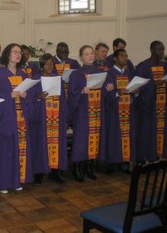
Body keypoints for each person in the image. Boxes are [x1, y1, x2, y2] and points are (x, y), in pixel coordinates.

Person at [0, 43, 33, 193]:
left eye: (19, 52)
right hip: (5, 119)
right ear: (8, 55)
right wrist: (10, 95)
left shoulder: (23, 74)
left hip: (20, 118)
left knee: (19, 150)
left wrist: (26, 95)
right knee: (6, 151)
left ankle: (17, 180)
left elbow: (30, 94)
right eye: (14, 52)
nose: (18, 54)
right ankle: (4, 183)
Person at [68, 45, 113, 182]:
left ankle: (89, 167)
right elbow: (71, 94)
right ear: (81, 57)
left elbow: (105, 93)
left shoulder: (102, 72)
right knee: (81, 140)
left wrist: (109, 89)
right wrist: (82, 91)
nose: (90, 56)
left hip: (97, 112)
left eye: (92, 53)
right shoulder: (76, 74)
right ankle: (76, 169)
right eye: (87, 54)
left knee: (94, 140)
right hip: (82, 112)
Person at [28, 53, 68, 185]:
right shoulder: (36, 80)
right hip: (42, 120)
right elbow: (30, 100)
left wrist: (65, 118)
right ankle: (38, 174)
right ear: (41, 65)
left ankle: (54, 173)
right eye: (47, 63)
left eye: (51, 63)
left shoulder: (58, 79)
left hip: (56, 119)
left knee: (56, 145)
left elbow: (64, 100)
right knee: (40, 146)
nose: (50, 66)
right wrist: (39, 97)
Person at [105, 49, 136, 173]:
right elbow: (106, 94)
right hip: (114, 111)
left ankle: (125, 162)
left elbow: (134, 89)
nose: (125, 58)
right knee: (114, 136)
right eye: (122, 56)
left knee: (127, 136)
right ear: (115, 58)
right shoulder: (109, 73)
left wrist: (136, 92)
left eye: (126, 56)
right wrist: (118, 92)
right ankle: (112, 164)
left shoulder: (130, 73)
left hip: (128, 110)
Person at [135, 40, 167, 161]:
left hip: (162, 106)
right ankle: (145, 157)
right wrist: (155, 83)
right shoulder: (143, 65)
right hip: (146, 106)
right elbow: (138, 85)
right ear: (152, 50)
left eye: (163, 49)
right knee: (146, 132)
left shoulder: (165, 65)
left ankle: (159, 156)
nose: (162, 52)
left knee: (160, 131)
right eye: (160, 49)